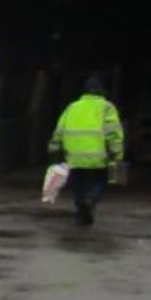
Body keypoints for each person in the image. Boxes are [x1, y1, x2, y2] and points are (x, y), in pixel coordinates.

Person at [48, 74, 125, 225]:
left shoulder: (72, 107)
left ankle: (81, 210)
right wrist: (117, 155)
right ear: (102, 91)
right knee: (100, 181)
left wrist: (54, 149)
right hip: (98, 156)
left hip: (74, 155)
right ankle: (90, 201)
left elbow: (59, 130)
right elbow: (113, 133)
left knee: (78, 183)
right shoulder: (107, 108)